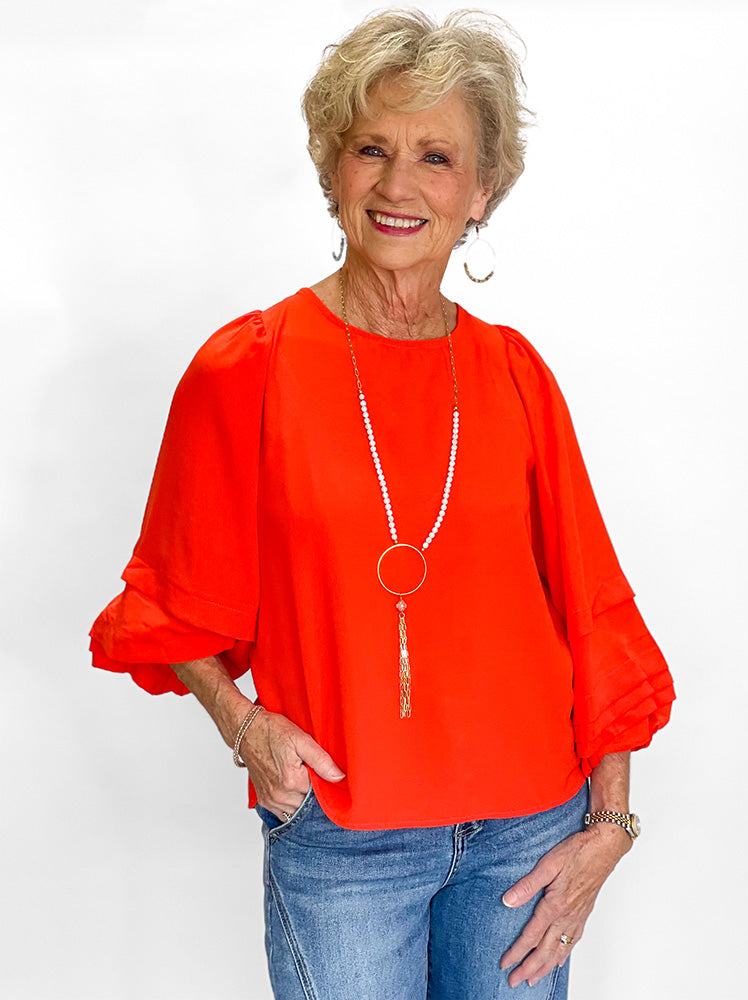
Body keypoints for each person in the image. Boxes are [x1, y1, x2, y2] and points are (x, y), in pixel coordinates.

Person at [90, 9, 675, 999]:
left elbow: (594, 611)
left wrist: (610, 820)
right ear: (333, 170)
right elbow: (170, 602)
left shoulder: (514, 375)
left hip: (527, 835)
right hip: (345, 838)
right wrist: (243, 724)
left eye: (436, 157)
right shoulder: (248, 369)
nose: (399, 185)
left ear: (480, 191)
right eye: (372, 149)